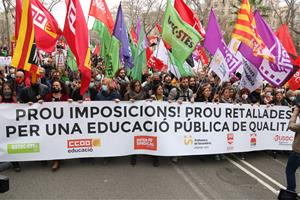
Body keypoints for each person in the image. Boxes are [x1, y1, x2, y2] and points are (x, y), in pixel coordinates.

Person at [43, 80, 70, 171]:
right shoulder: (47, 97)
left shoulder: (66, 97)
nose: (55, 87)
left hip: (63, 123)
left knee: (61, 140)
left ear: (61, 87)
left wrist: (72, 102)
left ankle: (61, 156)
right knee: (53, 141)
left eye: (57, 85)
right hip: (51, 123)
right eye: (54, 85)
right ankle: (56, 160)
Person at [285, 103, 300, 193]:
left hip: (298, 153)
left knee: (290, 171)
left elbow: (291, 126)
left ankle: (291, 191)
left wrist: (295, 112)